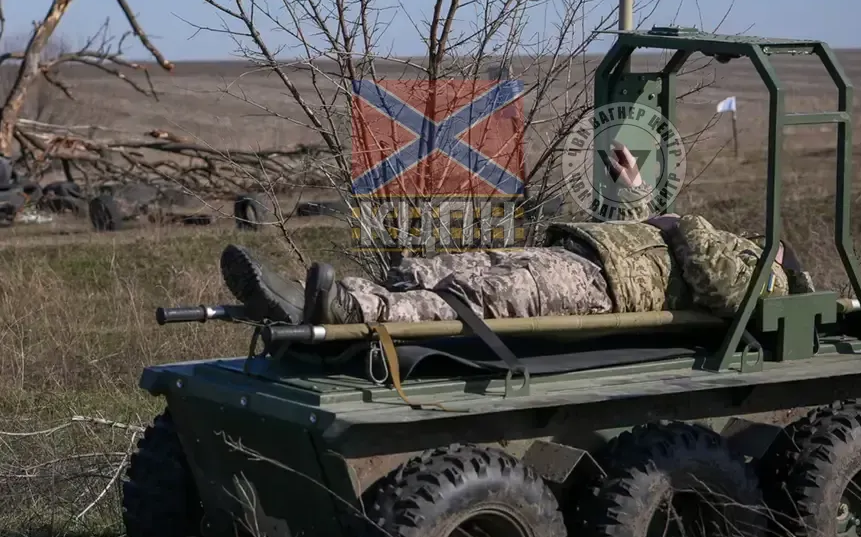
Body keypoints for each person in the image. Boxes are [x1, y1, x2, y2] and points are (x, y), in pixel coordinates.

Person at [220, 212, 813, 327]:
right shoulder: (744, 247)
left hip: (598, 287)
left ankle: (351, 311)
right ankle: (313, 296)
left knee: (483, 296)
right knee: (443, 269)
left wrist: (687, 225)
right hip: (581, 255)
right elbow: (654, 243)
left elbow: (718, 285)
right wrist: (637, 201)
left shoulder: (772, 279)